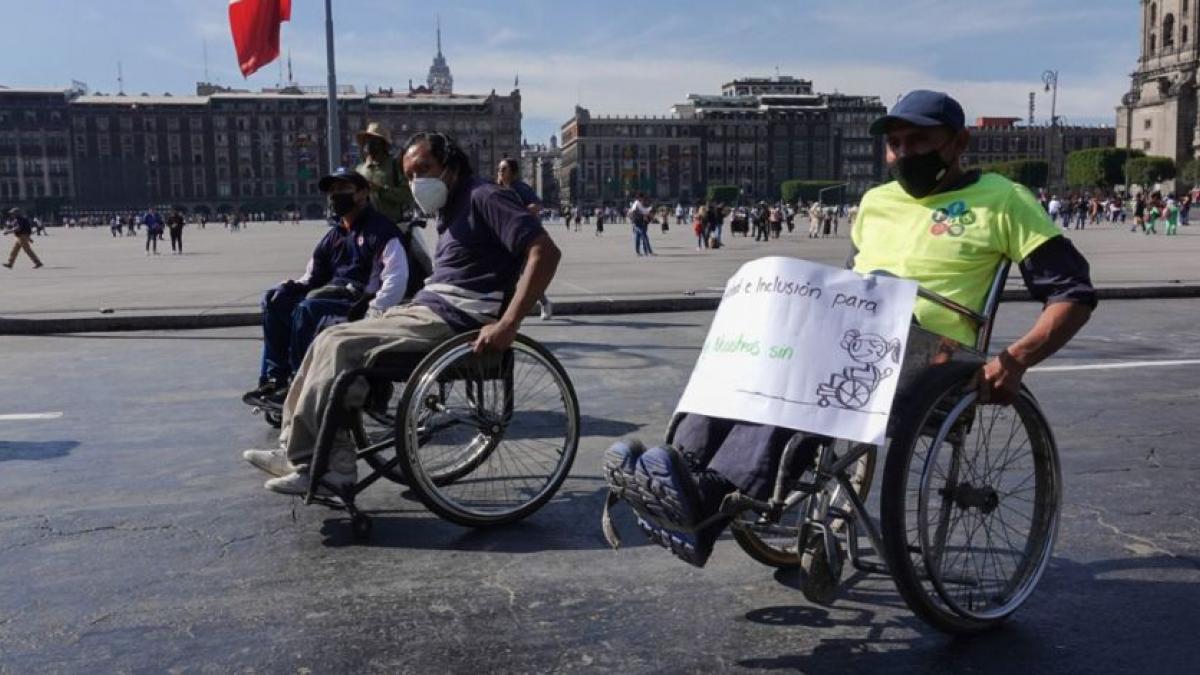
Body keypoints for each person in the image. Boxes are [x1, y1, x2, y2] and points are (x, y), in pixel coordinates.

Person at [605, 89, 1097, 567]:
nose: (904, 154)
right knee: (755, 348)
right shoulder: (878, 201)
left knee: (812, 362)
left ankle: (707, 496)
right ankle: (680, 474)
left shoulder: (1004, 199)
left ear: (958, 143)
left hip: (934, 356)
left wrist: (1015, 359)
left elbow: (1071, 293)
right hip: (858, 335)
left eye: (919, 142)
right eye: (895, 144)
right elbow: (846, 285)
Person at [241, 132, 561, 495]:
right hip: (430, 307)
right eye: (408, 175)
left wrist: (508, 323)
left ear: (451, 166)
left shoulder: (485, 196)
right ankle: (299, 449)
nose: (415, 182)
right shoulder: (451, 207)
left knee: (342, 343)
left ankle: (323, 462)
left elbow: (545, 252)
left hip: (457, 318)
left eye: (424, 169)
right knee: (328, 335)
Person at [241, 167, 410, 408]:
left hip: (359, 303)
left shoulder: (381, 230)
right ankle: (275, 378)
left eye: (343, 189)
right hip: (330, 297)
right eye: (331, 191)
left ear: (362, 193)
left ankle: (300, 386)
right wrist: (289, 287)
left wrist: (376, 309)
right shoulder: (334, 236)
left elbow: (396, 277)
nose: (335, 196)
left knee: (308, 309)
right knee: (274, 300)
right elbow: (312, 276)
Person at [355, 121, 433, 277]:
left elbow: (407, 195)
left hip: (393, 227)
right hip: (366, 229)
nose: (369, 145)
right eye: (367, 141)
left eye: (374, 141)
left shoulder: (395, 165)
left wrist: (381, 190)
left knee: (413, 263)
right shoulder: (360, 169)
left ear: (383, 144)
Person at [497, 157, 554, 320]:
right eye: (499, 169)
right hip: (503, 237)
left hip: (521, 237)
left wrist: (518, 214)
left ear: (513, 172)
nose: (500, 172)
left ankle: (542, 303)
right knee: (508, 274)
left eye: (504, 169)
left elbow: (537, 205)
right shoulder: (497, 189)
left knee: (523, 273)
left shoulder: (521, 188)